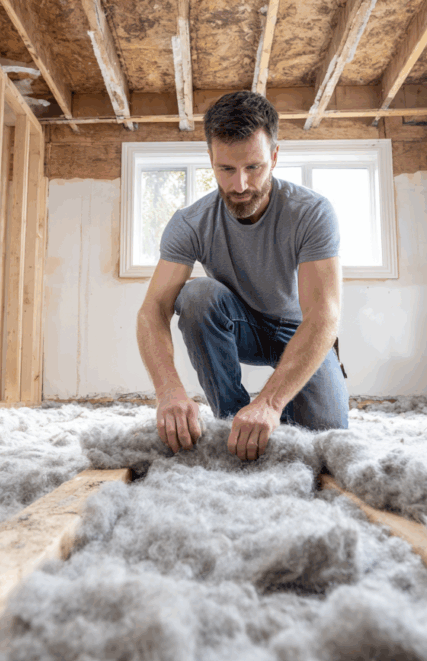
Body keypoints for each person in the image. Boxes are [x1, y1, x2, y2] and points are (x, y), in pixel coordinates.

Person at [136, 91, 348, 461]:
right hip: (238, 325)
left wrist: (270, 403)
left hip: (299, 331)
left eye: (254, 167)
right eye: (227, 169)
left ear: (275, 157)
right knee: (196, 295)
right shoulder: (190, 223)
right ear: (211, 159)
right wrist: (168, 390)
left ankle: (260, 414)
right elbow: (152, 310)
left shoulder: (311, 213)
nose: (240, 186)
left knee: (323, 440)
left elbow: (323, 317)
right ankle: (231, 421)